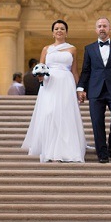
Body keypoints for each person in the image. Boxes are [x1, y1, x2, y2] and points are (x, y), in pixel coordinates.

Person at [22, 19, 86, 162]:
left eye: (62, 28)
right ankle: (50, 149)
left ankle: (65, 150)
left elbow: (75, 71)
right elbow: (41, 66)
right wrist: (39, 76)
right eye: (56, 28)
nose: (59, 31)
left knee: (65, 114)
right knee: (50, 113)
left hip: (66, 83)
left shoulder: (72, 49)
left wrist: (79, 89)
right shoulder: (46, 49)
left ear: (66, 32)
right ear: (52, 33)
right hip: (50, 83)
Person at [77, 17, 111, 163]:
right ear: (96, 29)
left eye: (105, 26)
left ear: (109, 29)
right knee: (97, 122)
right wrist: (81, 88)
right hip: (95, 90)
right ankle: (102, 154)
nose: (102, 28)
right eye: (99, 26)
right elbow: (86, 70)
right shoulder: (89, 49)